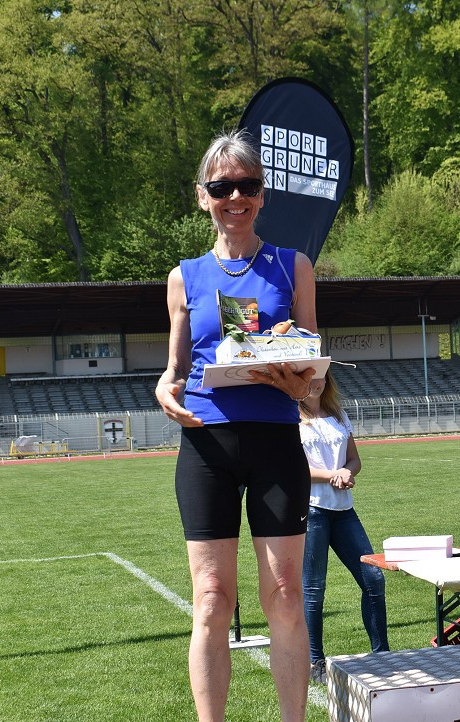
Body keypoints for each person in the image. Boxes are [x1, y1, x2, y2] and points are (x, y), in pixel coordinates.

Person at [155, 129, 317, 722]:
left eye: (247, 185)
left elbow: (312, 381)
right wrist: (161, 391)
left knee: (284, 597)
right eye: (223, 187)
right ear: (204, 197)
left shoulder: (293, 267)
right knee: (211, 600)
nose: (236, 197)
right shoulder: (184, 276)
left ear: (263, 194)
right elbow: (173, 370)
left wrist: (293, 381)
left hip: (275, 440)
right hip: (206, 442)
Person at [299, 369, 389, 684]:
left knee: (373, 578)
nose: (316, 381)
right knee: (313, 590)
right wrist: (334, 475)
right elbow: (293, 467)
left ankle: (382, 654)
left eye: (321, 375)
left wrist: (348, 472)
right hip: (311, 511)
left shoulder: (338, 414)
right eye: (308, 376)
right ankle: (315, 662)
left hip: (344, 510)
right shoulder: (290, 417)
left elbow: (355, 460)